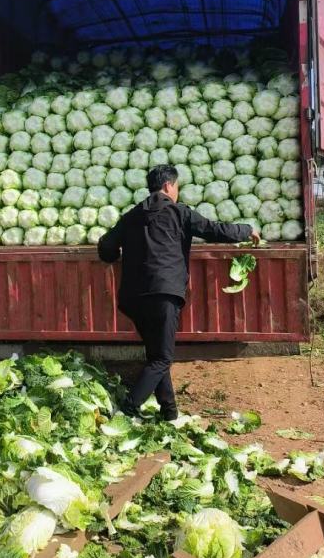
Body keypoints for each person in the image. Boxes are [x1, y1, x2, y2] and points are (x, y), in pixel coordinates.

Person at [97, 164, 259, 421]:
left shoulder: (130, 216)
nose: (177, 191)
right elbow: (214, 230)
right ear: (168, 186)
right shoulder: (179, 212)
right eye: (177, 187)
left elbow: (106, 247)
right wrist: (246, 230)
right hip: (163, 294)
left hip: (133, 298)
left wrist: (118, 253)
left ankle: (169, 413)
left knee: (156, 356)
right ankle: (128, 408)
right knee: (162, 359)